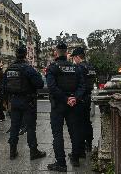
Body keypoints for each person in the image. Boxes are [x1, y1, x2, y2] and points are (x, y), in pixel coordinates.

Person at [46, 42, 86, 172]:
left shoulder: (52, 68)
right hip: (73, 104)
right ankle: (75, 158)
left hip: (58, 105)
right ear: (67, 53)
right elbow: (82, 86)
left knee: (57, 134)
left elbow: (52, 87)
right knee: (74, 132)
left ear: (56, 53)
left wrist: (64, 98)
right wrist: (75, 97)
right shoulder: (76, 68)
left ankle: (61, 163)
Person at [3, 45, 46, 161]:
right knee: (31, 127)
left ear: (16, 55)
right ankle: (33, 151)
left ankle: (12, 151)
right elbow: (40, 84)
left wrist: (7, 102)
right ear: (25, 55)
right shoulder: (27, 68)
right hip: (28, 102)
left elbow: (3, 87)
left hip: (14, 101)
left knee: (15, 126)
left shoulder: (9, 69)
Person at [71, 47, 97, 152]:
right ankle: (89, 144)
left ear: (77, 57)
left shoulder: (79, 68)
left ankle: (80, 149)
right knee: (87, 122)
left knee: (78, 124)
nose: (74, 60)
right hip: (88, 97)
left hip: (80, 98)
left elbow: (76, 84)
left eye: (74, 58)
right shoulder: (91, 67)